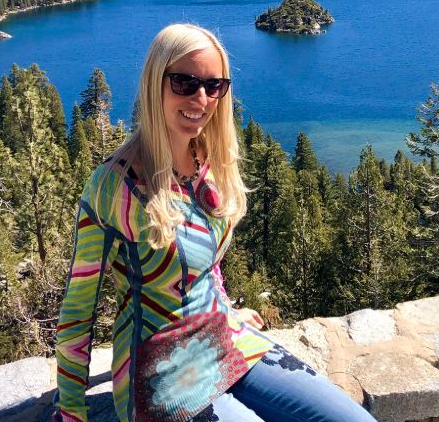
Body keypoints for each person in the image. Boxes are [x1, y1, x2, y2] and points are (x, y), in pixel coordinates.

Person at [55, 23, 375, 422]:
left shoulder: (209, 160)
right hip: (160, 370)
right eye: (184, 82)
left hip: (226, 336)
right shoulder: (114, 186)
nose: (201, 98)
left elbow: (206, 262)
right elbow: (77, 312)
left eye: (214, 85)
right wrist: (69, 411)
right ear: (156, 82)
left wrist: (225, 308)